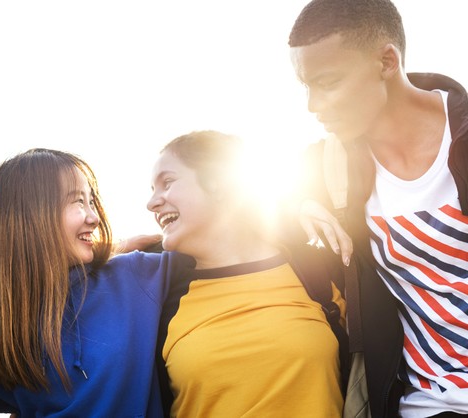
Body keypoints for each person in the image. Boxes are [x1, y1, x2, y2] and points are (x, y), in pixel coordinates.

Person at [288, 0, 468, 417]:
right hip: (426, 405)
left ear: (387, 61)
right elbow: (248, 200)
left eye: (328, 81)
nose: (314, 105)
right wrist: (299, 203)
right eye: (306, 87)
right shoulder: (331, 168)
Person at [0, 148, 188, 417]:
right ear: (33, 213)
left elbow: (219, 246)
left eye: (92, 202)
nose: (94, 218)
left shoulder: (136, 275)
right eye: (79, 202)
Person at [147, 130, 347, 417]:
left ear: (218, 182)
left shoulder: (316, 269)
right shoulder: (158, 295)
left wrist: (297, 203)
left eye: (166, 183)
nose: (152, 202)